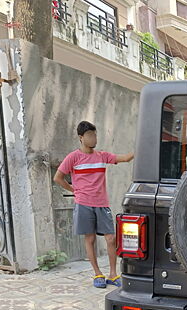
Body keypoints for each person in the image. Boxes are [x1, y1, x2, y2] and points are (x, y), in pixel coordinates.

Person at [53, 121, 135, 287]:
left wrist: (143, 145)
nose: (94, 138)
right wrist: (73, 189)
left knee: (111, 238)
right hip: (83, 203)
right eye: (90, 135)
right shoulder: (73, 158)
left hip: (101, 203)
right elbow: (58, 177)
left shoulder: (102, 156)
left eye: (95, 134)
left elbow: (125, 158)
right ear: (81, 138)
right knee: (90, 239)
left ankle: (113, 274)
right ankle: (97, 274)